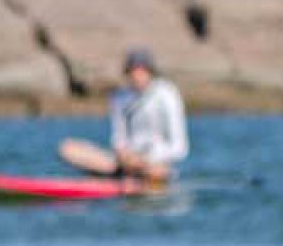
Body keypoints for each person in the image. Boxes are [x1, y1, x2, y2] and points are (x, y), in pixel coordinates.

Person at [58, 48, 188, 183]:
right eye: (133, 71)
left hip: (156, 164)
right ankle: (119, 176)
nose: (137, 76)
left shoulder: (167, 94)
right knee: (67, 148)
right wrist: (123, 155)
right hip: (124, 163)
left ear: (150, 71)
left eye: (141, 70)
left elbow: (180, 148)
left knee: (155, 172)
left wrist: (145, 159)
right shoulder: (119, 97)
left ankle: (128, 177)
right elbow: (119, 138)